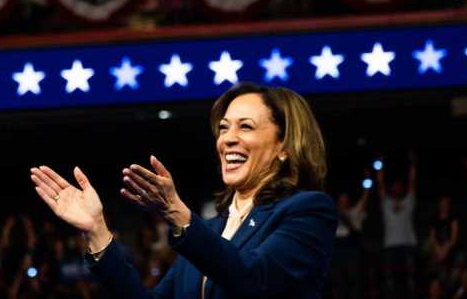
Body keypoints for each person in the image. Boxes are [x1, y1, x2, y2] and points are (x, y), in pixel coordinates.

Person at [30, 82, 336, 298]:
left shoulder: (308, 210)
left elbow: (254, 281)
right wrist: (97, 231)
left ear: (284, 147)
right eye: (223, 127)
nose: (227, 138)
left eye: (245, 127)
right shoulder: (211, 230)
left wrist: (178, 213)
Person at [377, 154, 418, 299]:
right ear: (392, 189)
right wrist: (380, 169)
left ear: (402, 189)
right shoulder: (386, 203)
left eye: (399, 186)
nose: (397, 188)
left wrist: (412, 166)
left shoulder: (409, 202)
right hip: (390, 246)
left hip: (407, 244)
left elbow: (412, 184)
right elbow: (381, 186)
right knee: (390, 281)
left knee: (410, 280)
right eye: (394, 186)